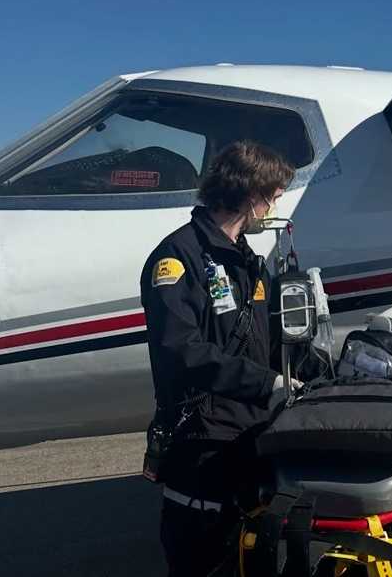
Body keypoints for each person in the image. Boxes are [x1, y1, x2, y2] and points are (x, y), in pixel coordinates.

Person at [140, 140, 296, 577]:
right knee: (202, 556)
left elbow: (268, 339)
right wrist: (267, 384)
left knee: (247, 555)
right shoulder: (177, 258)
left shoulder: (248, 261)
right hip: (202, 440)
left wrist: (308, 372)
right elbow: (180, 350)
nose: (275, 206)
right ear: (253, 195)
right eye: (275, 196)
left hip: (251, 434)